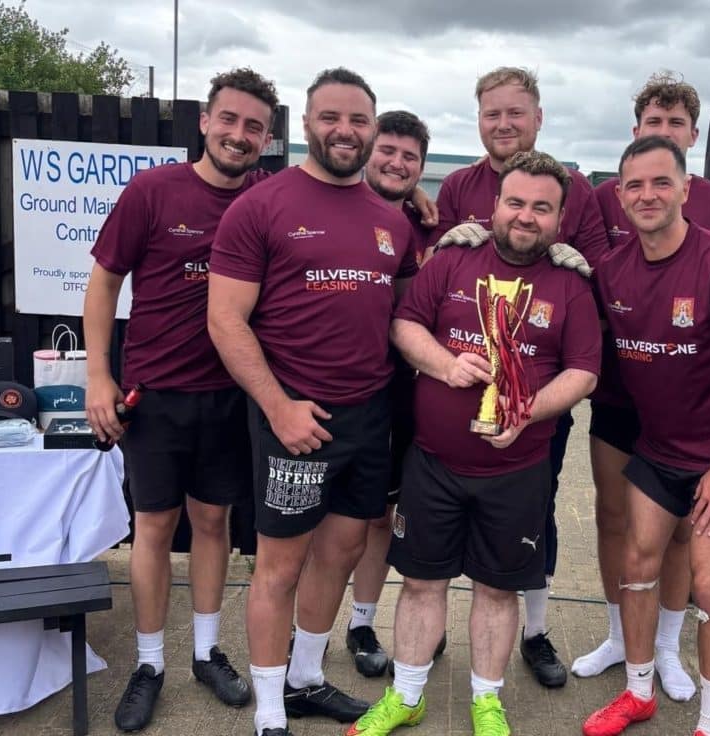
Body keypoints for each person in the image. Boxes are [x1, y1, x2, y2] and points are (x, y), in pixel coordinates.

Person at [347, 150, 600, 736]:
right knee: (419, 583)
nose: (526, 216)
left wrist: (526, 409)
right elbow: (405, 324)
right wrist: (441, 364)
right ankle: (407, 695)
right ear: (496, 206)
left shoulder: (571, 285)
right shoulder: (453, 261)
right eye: (516, 202)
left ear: (560, 220)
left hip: (518, 468)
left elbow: (584, 371)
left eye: (542, 208)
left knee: (498, 588)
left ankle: (487, 701)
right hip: (433, 463)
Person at [207, 68, 419, 736]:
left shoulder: (392, 222)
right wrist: (277, 407)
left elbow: (407, 316)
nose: (345, 131)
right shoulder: (262, 206)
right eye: (331, 117)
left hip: (368, 416)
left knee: (343, 551)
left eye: (358, 120)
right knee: (280, 565)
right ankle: (271, 707)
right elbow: (225, 321)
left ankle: (304, 679)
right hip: (293, 417)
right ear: (306, 124)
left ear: (373, 129)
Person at [84, 68, 278, 733]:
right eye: (229, 119)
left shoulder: (267, 201)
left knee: (216, 523)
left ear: (267, 137)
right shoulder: (152, 190)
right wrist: (98, 376)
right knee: (155, 528)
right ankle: (148, 663)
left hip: (230, 397)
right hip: (156, 395)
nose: (238, 134)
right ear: (205, 121)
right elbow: (104, 284)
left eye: (254, 126)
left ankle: (203, 650)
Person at [575, 73, 710, 702]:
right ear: (635, 134)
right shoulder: (604, 198)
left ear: (692, 141)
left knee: (683, 531)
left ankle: (669, 650)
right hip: (625, 395)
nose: (663, 134)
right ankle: (619, 640)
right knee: (614, 518)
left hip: (695, 403)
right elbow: (581, 275)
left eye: (675, 125)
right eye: (653, 123)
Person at [427, 65, 609, 689]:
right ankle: (441, 626)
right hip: (461, 378)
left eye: (516, 112)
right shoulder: (456, 185)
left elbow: (591, 274)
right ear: (479, 120)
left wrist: (569, 259)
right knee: (443, 508)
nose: (504, 124)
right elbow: (439, 270)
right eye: (491, 113)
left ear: (538, 117)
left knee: (536, 509)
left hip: (536, 385)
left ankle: (534, 631)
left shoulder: (574, 187)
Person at [345, 110, 433, 677]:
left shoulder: (424, 225)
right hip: (333, 392)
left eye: (411, 157)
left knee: (386, 517)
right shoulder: (323, 204)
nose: (397, 163)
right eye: (388, 151)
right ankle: (300, 632)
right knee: (326, 526)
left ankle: (363, 622)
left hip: (405, 390)